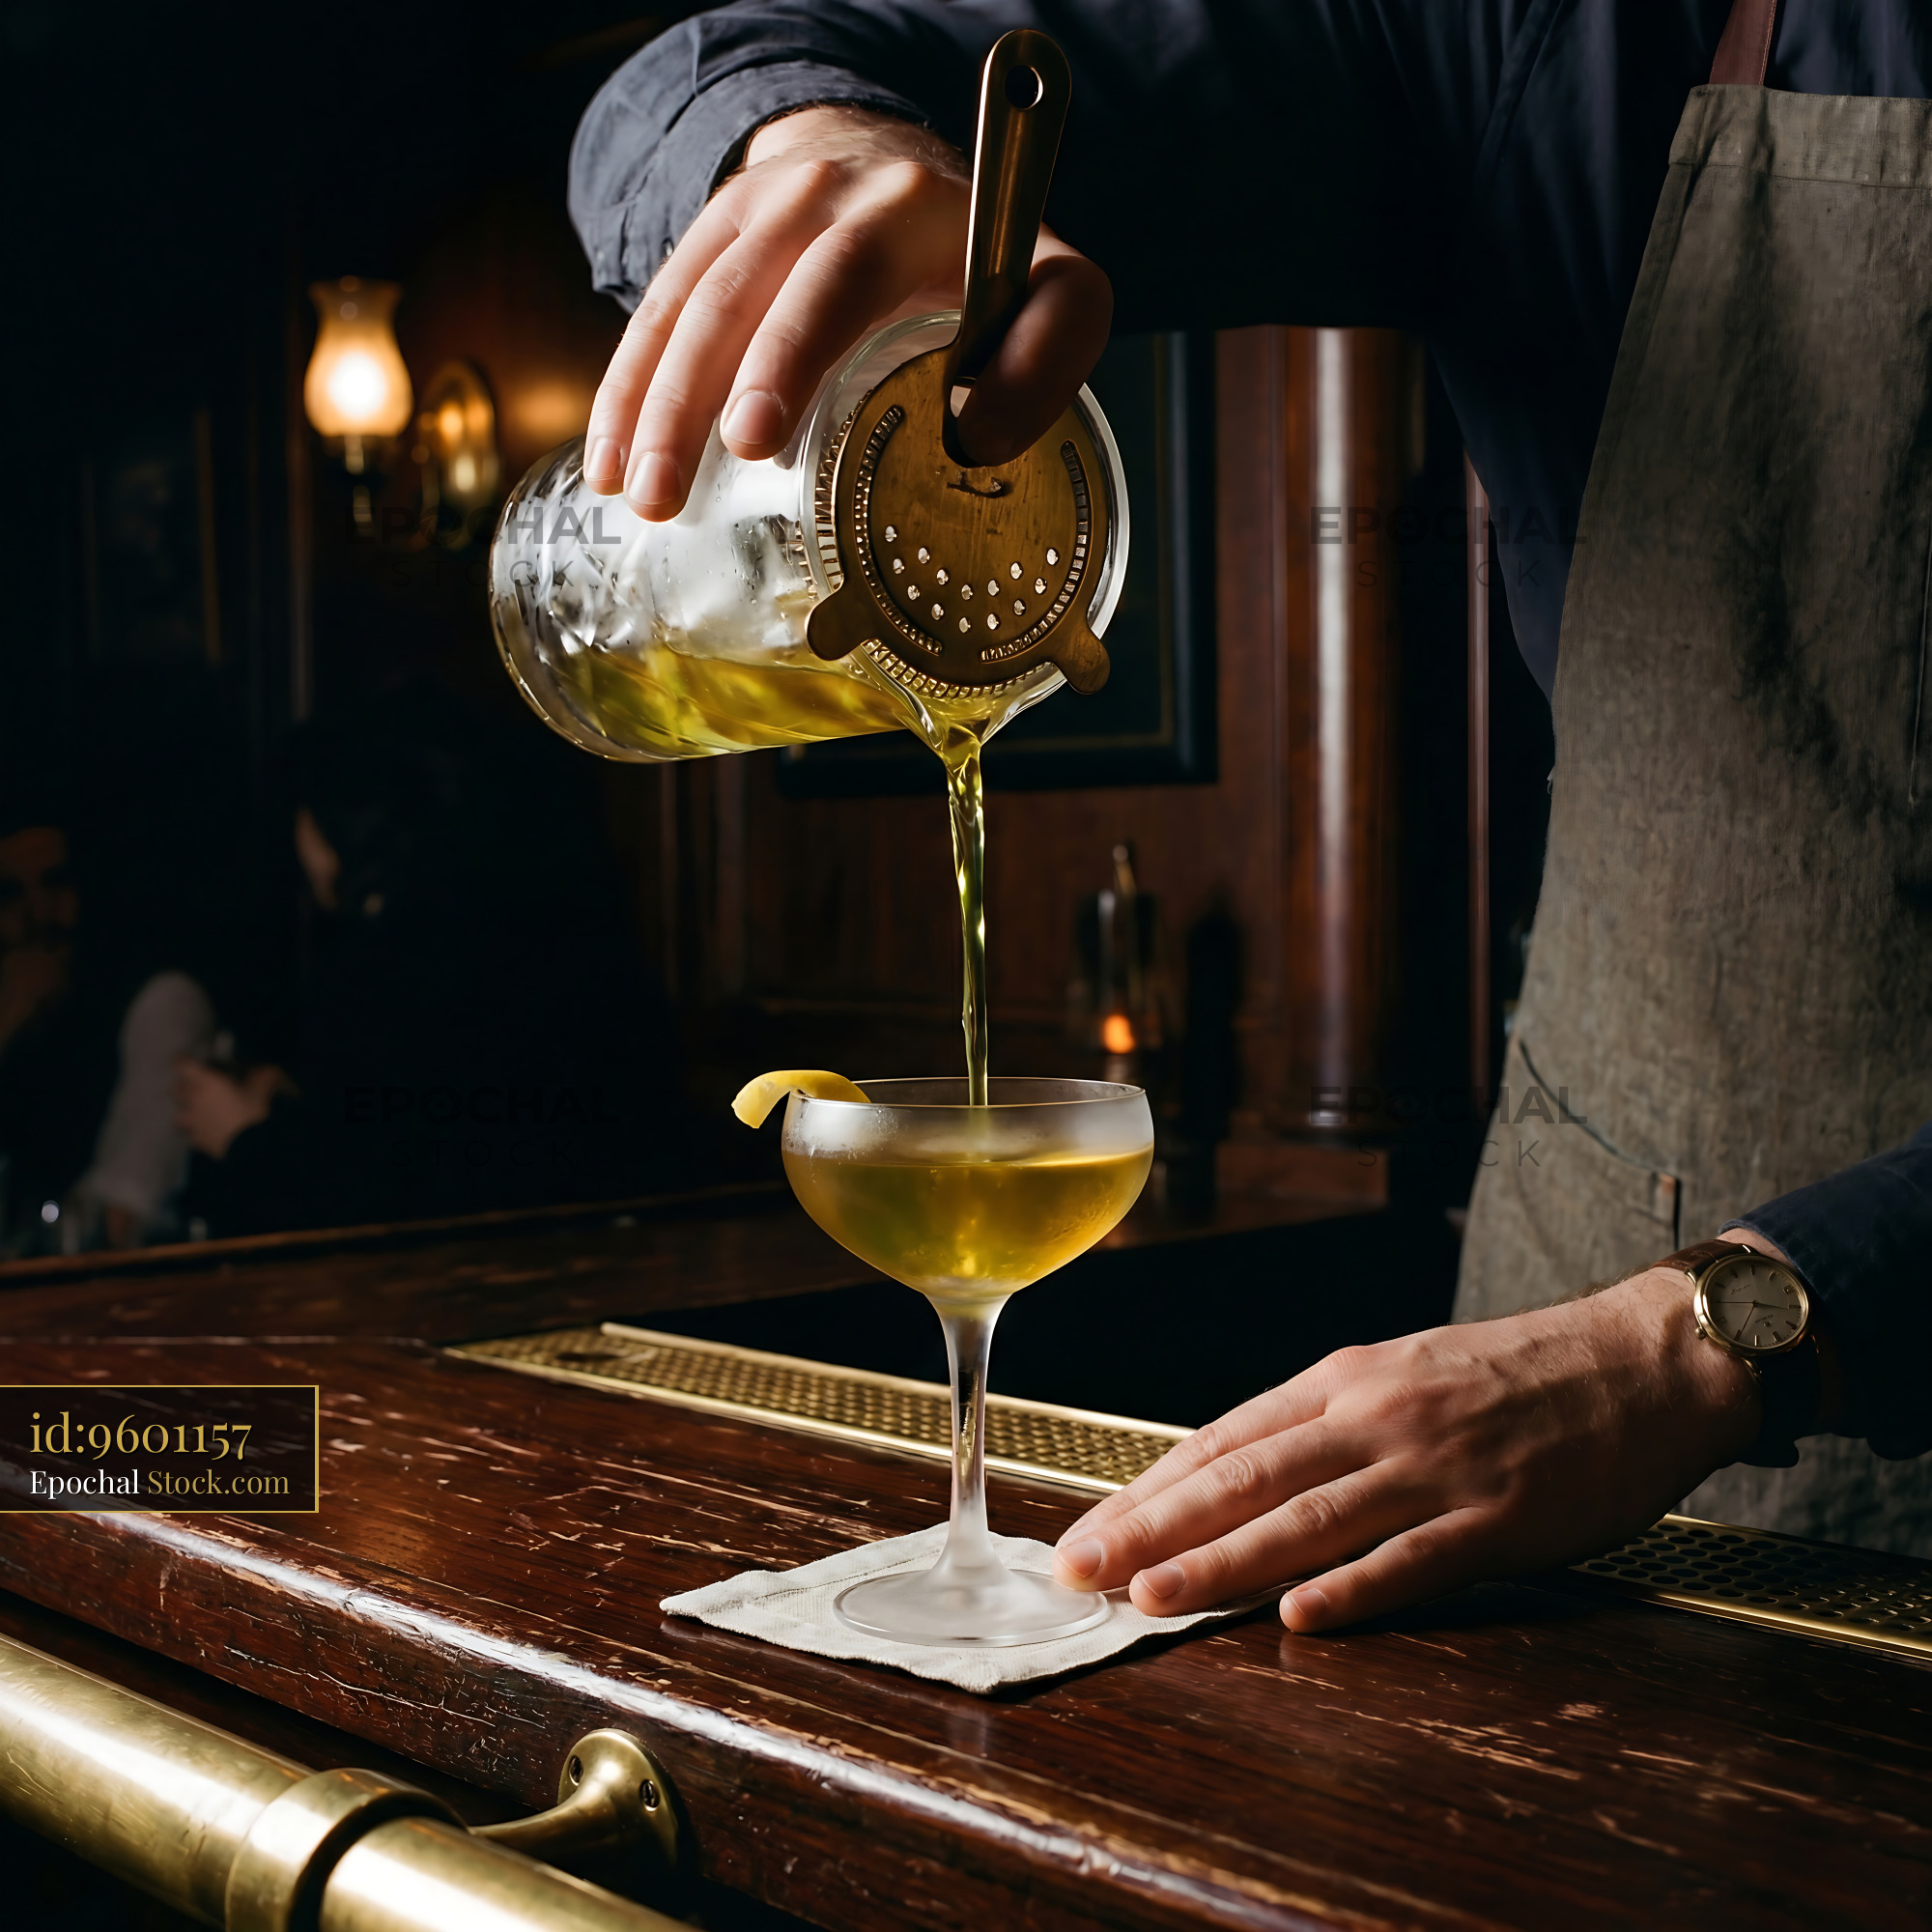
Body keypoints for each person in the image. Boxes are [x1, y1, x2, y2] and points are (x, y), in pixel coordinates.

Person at [563, 0, 1932, 1623]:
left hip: (1650, 1389)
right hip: (1539, 1476)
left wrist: (1714, 1333)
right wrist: (816, 145)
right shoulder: (1552, 40)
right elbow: (727, 60)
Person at [177, 687, 686, 1236]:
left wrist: (240, 1137)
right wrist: (296, 1117)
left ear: (348, 813)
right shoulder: (552, 938)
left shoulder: (394, 967)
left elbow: (380, 1201)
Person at [0, 805, 215, 1254]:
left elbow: (120, 1219)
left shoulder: (159, 1003)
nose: (40, 914)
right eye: (11, 895)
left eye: (57, 884)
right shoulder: (19, 1023)